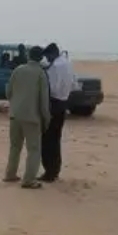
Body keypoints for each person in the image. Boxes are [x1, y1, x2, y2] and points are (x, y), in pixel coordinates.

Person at [3, 45, 51, 189]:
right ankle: (29, 179)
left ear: (29, 55)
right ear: (41, 58)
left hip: (15, 114)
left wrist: (15, 103)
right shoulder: (41, 73)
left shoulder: (18, 70)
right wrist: (46, 118)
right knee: (33, 150)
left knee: (15, 147)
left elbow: (8, 92)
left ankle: (10, 174)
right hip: (32, 117)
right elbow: (44, 100)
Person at [39, 43, 77, 182]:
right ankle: (55, 170)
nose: (47, 59)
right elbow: (74, 84)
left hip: (53, 103)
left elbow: (52, 88)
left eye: (48, 56)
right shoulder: (67, 63)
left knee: (47, 139)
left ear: (52, 54)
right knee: (56, 138)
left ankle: (49, 171)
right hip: (63, 102)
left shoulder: (55, 66)